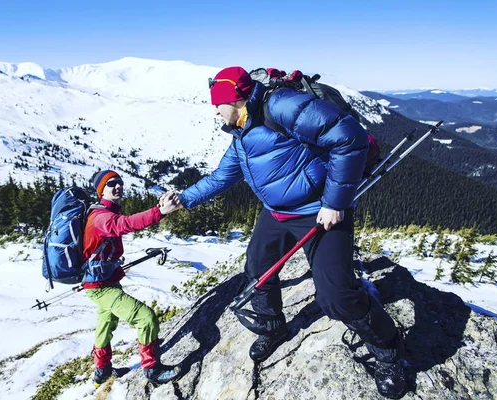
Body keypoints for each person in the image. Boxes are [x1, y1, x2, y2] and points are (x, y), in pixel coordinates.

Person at [177, 67, 407, 399]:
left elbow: (348, 136)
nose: (214, 111)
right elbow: (222, 177)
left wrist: (334, 201)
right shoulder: (240, 133)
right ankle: (273, 327)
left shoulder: (281, 106)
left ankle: (390, 352)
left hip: (320, 210)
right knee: (258, 270)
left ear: (236, 99)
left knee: (337, 296)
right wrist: (183, 200)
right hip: (277, 214)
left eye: (217, 104)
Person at [83, 169, 182, 387]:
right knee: (145, 318)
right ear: (101, 190)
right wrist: (160, 212)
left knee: (106, 322)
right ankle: (152, 369)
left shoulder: (102, 212)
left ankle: (102, 371)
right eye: (111, 184)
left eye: (119, 182)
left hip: (103, 281)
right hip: (100, 286)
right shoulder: (101, 217)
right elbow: (125, 224)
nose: (117, 186)